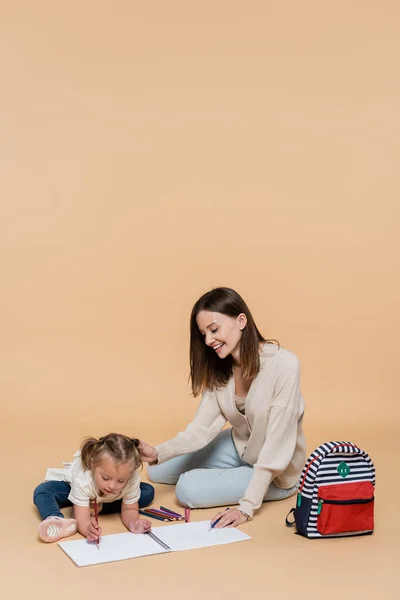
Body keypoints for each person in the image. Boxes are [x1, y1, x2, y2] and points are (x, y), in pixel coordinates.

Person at [140, 287, 306, 528]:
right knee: (157, 470)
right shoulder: (222, 369)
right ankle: (177, 462)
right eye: (203, 334)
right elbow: (201, 429)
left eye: (214, 329)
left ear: (241, 321)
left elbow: (276, 446)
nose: (208, 341)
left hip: (276, 469)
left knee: (187, 489)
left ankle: (256, 483)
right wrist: (157, 453)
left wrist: (246, 507)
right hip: (240, 447)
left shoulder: (285, 366)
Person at [33, 433, 154, 542]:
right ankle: (58, 520)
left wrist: (133, 523)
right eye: (106, 478)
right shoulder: (84, 479)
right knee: (43, 491)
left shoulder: (132, 479)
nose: (112, 486)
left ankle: (92, 506)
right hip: (75, 488)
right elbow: (82, 519)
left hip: (103, 499)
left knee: (147, 492)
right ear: (93, 465)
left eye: (121, 480)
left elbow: (130, 510)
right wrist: (87, 528)